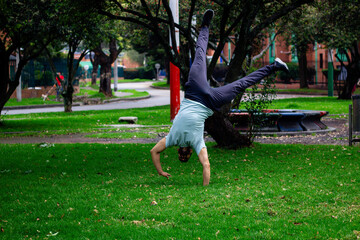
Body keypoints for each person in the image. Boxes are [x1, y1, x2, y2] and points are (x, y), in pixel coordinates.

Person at [150, 9, 289, 186]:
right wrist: (160, 170)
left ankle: (274, 65)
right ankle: (205, 26)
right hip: (198, 93)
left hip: (206, 99)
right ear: (180, 150)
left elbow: (206, 165)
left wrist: (164, 172)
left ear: (187, 152)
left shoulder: (194, 142)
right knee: (201, 56)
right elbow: (155, 152)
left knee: (239, 82)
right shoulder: (173, 138)